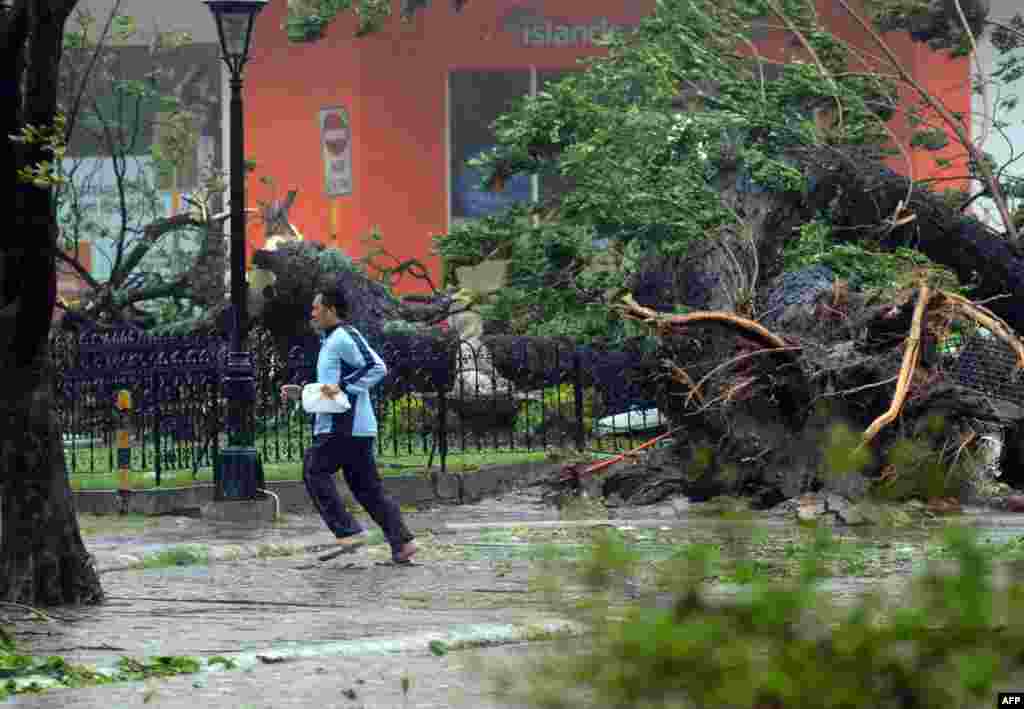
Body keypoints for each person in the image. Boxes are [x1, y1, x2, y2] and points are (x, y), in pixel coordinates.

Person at [281, 288, 417, 564]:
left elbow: (375, 367)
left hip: (343, 426)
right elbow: (333, 386)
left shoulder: (344, 335)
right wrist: (304, 392)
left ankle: (347, 532)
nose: (313, 313)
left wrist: (340, 389)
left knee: (314, 469)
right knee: (367, 488)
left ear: (331, 310)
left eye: (316, 308)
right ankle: (402, 543)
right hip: (353, 427)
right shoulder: (332, 340)